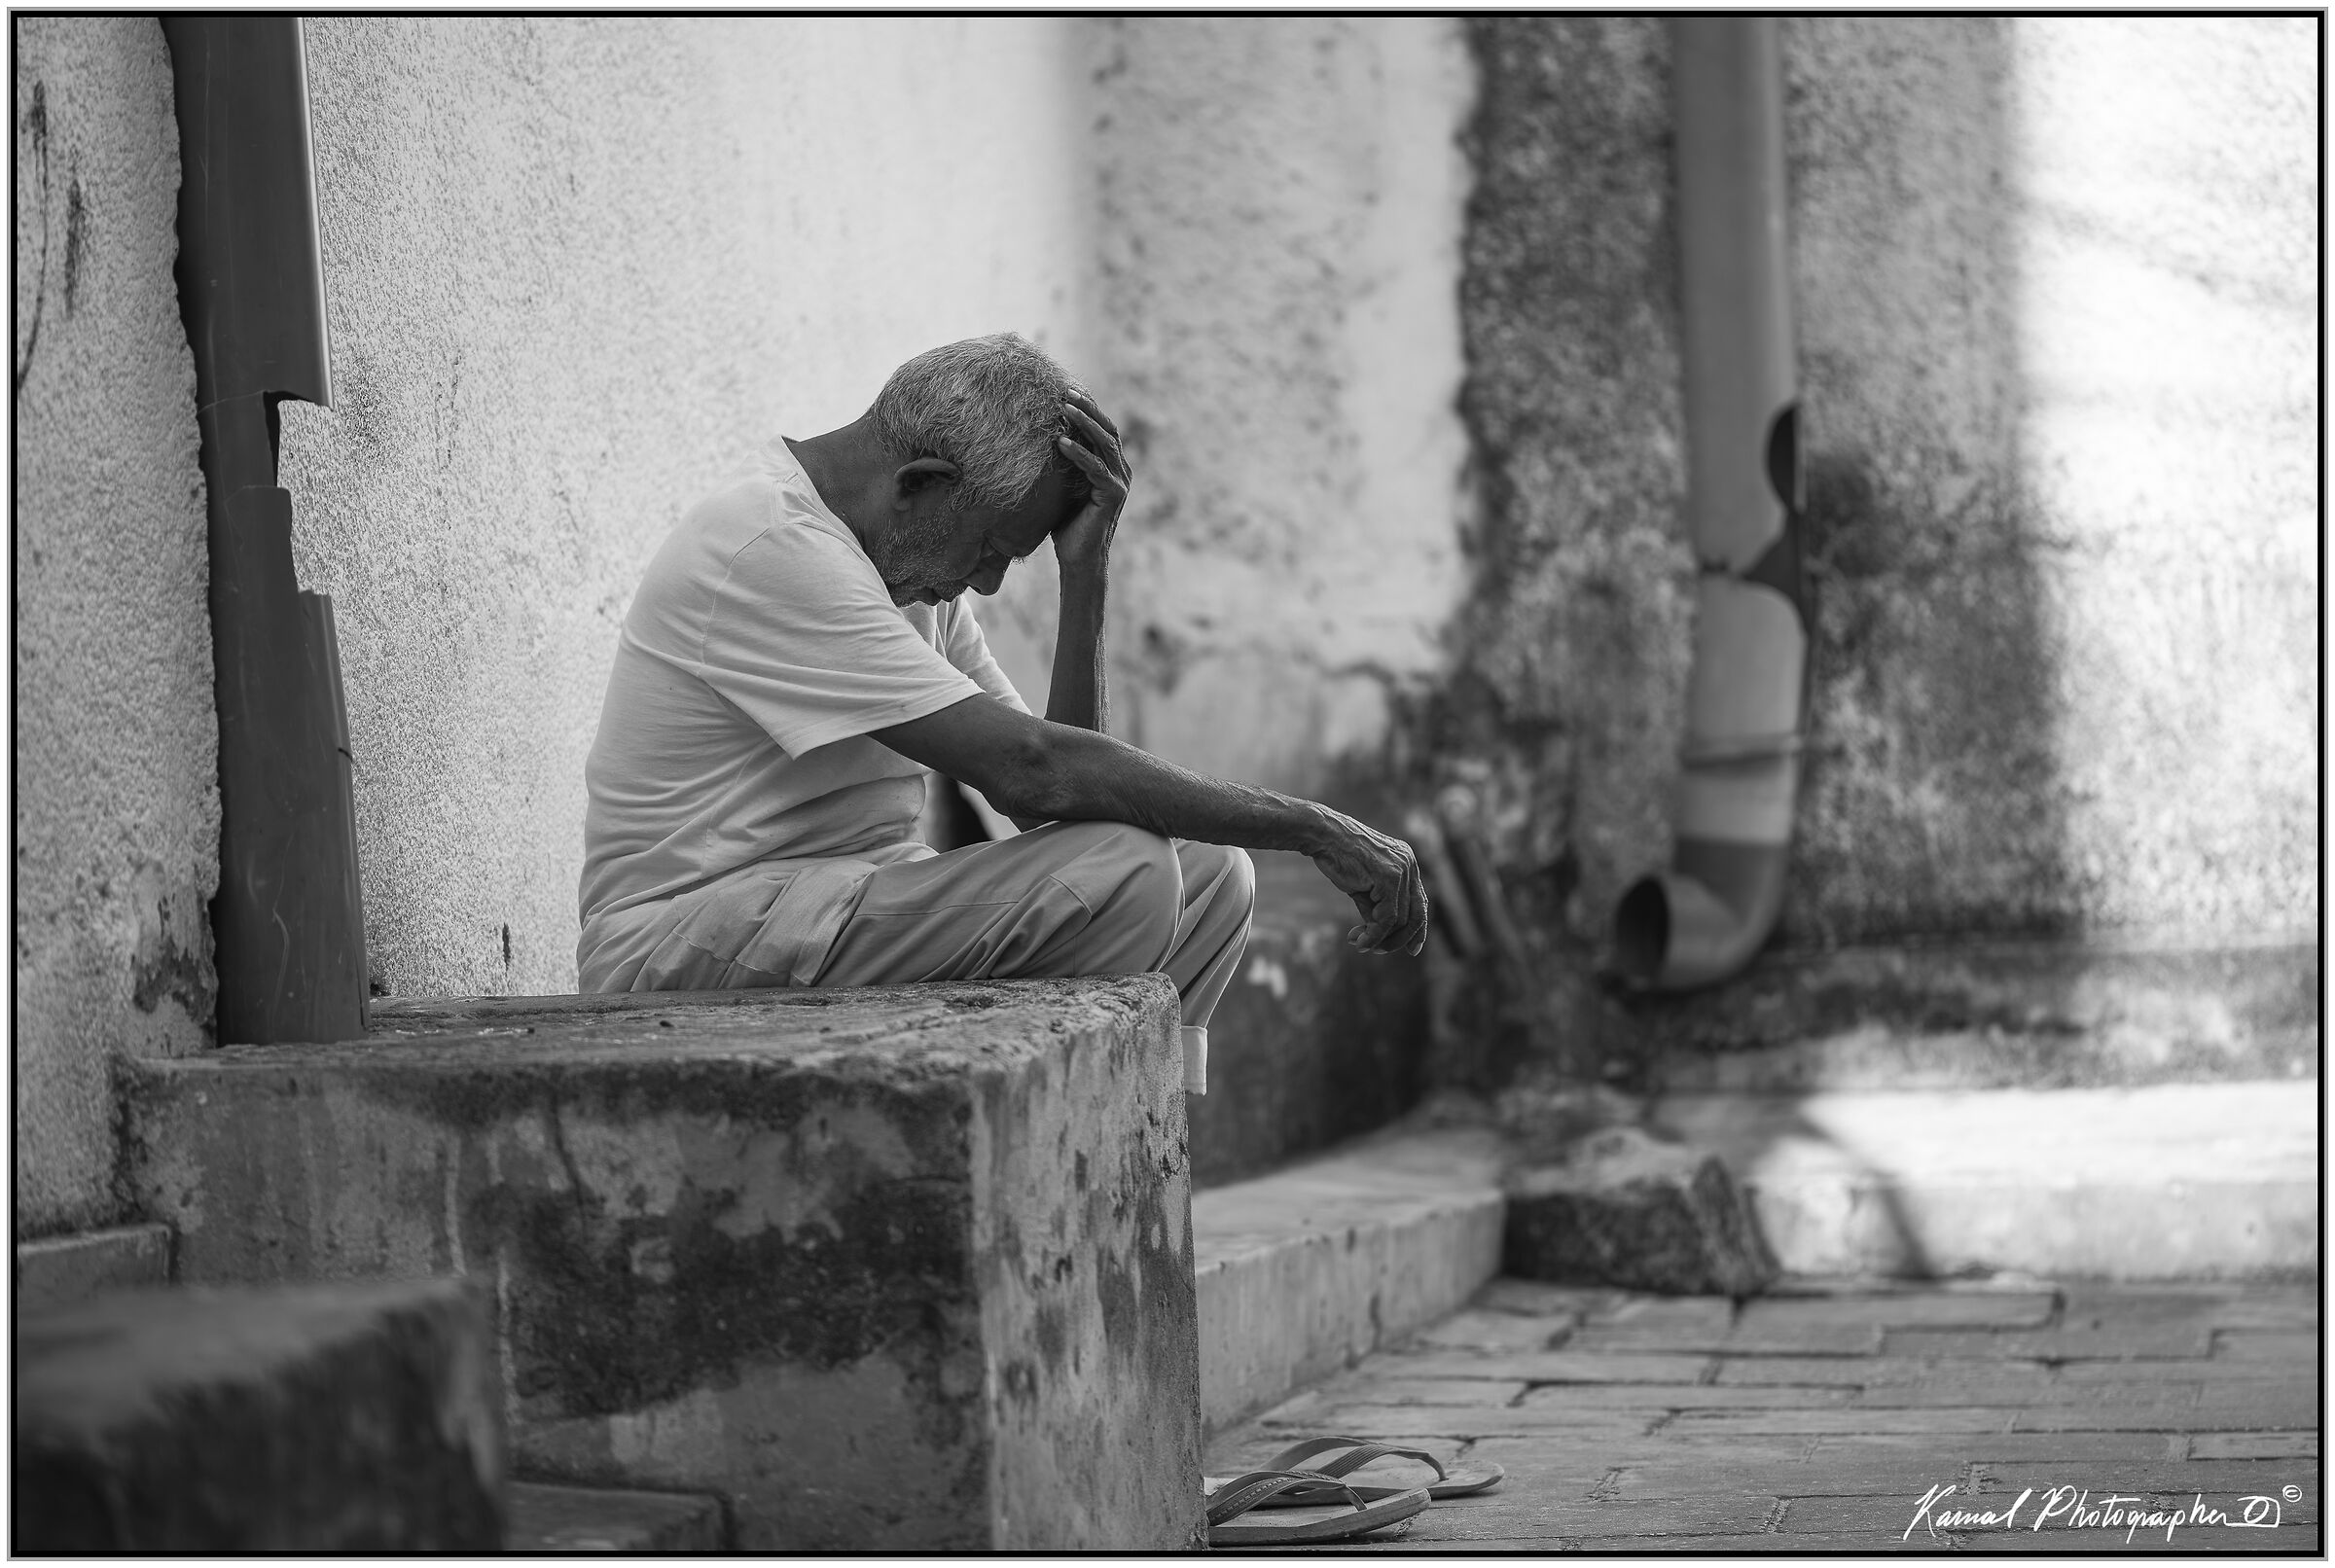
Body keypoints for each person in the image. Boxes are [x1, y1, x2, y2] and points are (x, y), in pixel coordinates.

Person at [576, 334, 1426, 1092]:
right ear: (922, 485)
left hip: (830, 911)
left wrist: (1086, 575)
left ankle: (1125, 1143)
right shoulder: (769, 547)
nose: (984, 583)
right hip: (682, 939)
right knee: (1127, 872)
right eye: (989, 551)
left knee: (1212, 877)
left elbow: (1042, 801)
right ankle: (1069, 1150)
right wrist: (1313, 827)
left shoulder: (899, 561)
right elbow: (1037, 773)